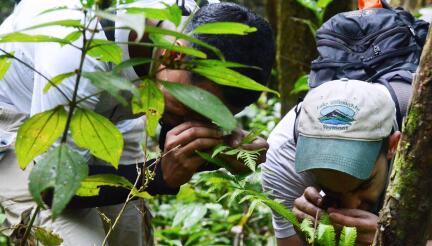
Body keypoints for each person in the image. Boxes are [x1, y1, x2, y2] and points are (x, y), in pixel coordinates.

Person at [0, 1, 275, 245]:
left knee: (130, 235)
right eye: (195, 107)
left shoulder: (210, 27)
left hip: (113, 119)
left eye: (214, 115)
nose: (197, 123)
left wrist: (221, 148)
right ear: (174, 55)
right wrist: (156, 176)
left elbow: (172, 132)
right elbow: (53, 186)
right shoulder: (77, 50)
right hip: (24, 121)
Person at [263, 77, 432, 245]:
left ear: (393, 146)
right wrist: (308, 235)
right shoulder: (283, 154)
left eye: (363, 185)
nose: (350, 207)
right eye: (330, 191)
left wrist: (388, 241)